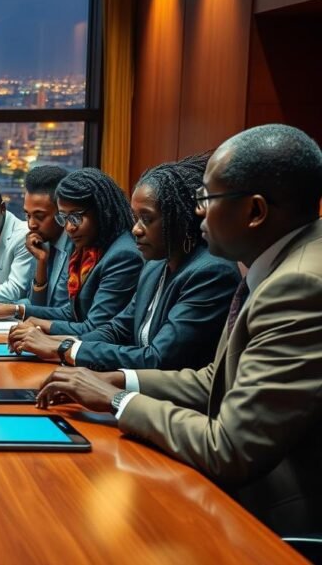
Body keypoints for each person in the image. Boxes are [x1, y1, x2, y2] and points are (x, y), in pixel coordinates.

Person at [35, 124, 322, 536]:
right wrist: (121, 379)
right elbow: (216, 379)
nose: (196, 210)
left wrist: (117, 400)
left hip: (274, 516)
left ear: (255, 212)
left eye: (206, 197)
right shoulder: (278, 264)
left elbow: (230, 448)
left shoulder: (299, 285)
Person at [9, 155, 241, 370]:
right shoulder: (154, 266)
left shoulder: (211, 272)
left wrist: (63, 348)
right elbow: (116, 329)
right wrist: (56, 344)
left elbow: (158, 358)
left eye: (146, 219)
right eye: (135, 218)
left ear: (180, 218)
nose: (136, 229)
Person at [0, 168, 142, 336]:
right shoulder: (83, 246)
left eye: (76, 217)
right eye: (64, 218)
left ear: (102, 212)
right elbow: (70, 311)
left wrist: (35, 324)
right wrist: (16, 310)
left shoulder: (121, 255)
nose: (69, 227)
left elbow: (95, 329)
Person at [18, 166, 72, 308]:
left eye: (39, 216)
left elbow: (62, 311)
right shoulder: (41, 242)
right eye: (27, 215)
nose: (31, 225)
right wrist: (41, 263)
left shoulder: (77, 246)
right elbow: (35, 305)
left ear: (62, 211)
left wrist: (14, 309)